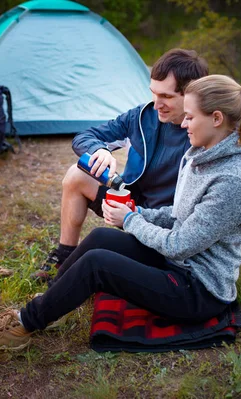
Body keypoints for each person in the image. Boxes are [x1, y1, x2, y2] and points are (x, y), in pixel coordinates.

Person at [0, 74, 241, 352]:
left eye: (190, 117)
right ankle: (49, 305)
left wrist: (131, 221)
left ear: (217, 118)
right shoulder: (200, 155)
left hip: (197, 290)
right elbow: (180, 215)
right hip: (180, 265)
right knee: (101, 237)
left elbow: (181, 243)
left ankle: (21, 326)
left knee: (97, 264)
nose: (183, 124)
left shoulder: (230, 182)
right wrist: (139, 212)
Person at [33, 48, 209, 281]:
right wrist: (100, 150)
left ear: (191, 94)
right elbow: (85, 136)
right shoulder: (142, 117)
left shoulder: (204, 134)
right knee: (76, 174)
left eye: (166, 97)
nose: (156, 104)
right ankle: (65, 256)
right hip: (128, 204)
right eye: (154, 94)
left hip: (165, 226)